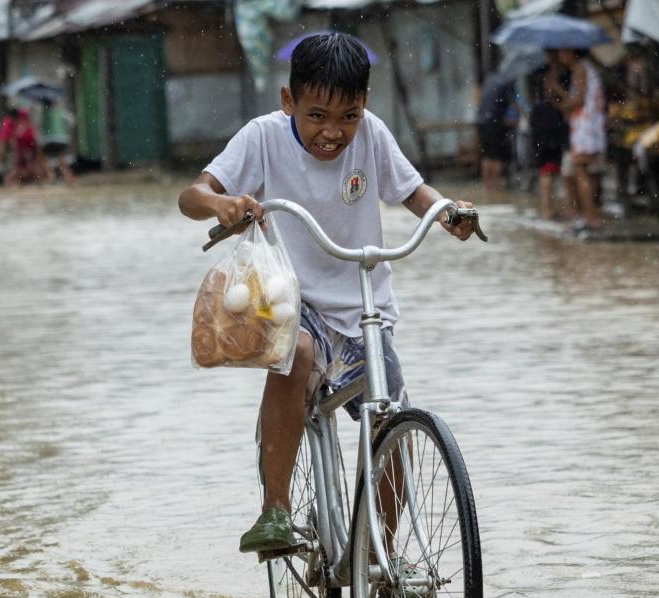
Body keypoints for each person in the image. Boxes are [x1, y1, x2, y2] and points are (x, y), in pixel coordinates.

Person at [177, 32, 475, 556]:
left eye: (349, 116)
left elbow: (411, 190)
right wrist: (220, 204)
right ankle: (275, 509)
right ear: (288, 101)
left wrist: (447, 211)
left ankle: (378, 558)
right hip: (291, 299)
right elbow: (192, 195)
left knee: (393, 423)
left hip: (366, 307)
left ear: (365, 105)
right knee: (299, 359)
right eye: (317, 116)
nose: (333, 132)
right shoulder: (263, 137)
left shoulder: (373, 135)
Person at [547, 48, 605, 231]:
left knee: (580, 171)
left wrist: (556, 91)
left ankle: (591, 217)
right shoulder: (585, 68)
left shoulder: (580, 68)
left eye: (564, 52)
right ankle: (589, 215)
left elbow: (578, 100)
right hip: (588, 126)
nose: (561, 55)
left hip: (585, 127)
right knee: (582, 172)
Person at [530, 59, 569, 221]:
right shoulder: (554, 81)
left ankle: (550, 210)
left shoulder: (544, 79)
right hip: (550, 133)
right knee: (550, 174)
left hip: (545, 134)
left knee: (549, 174)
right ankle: (550, 210)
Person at [477, 72, 519, 191]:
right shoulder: (508, 81)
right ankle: (497, 186)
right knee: (497, 156)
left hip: (482, 121)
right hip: (495, 122)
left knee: (487, 155)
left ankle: (487, 186)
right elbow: (513, 102)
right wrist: (524, 113)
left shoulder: (490, 79)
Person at [0, 107, 42, 185]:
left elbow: (36, 144)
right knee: (17, 172)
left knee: (35, 171)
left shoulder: (25, 117)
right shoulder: (7, 123)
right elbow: (2, 143)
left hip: (31, 147)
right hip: (19, 150)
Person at [39, 97, 76, 184]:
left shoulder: (44, 113)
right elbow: (72, 121)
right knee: (62, 161)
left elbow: (40, 126)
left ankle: (51, 177)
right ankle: (68, 179)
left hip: (48, 140)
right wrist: (65, 129)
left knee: (44, 159)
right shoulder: (61, 111)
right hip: (61, 139)